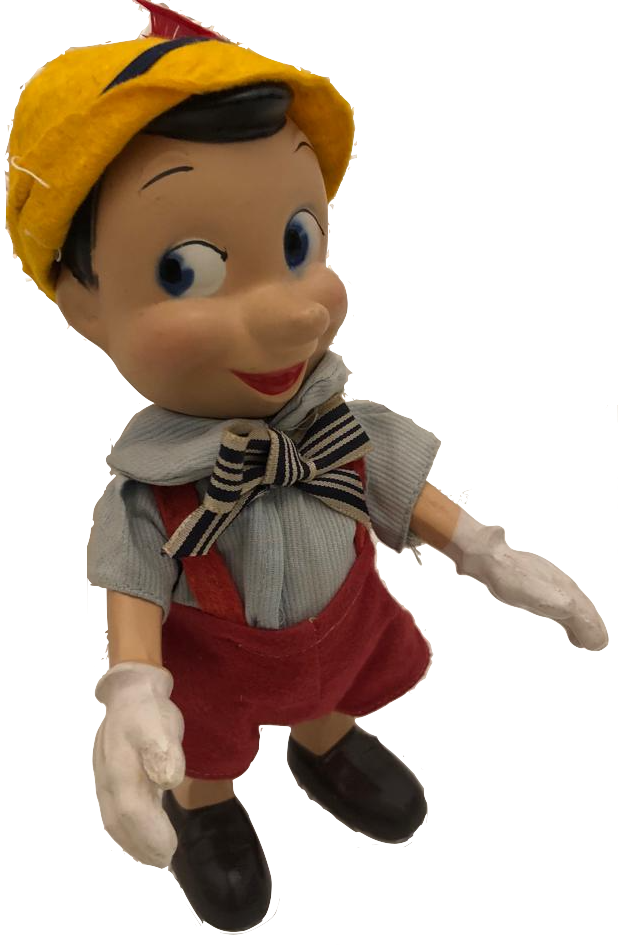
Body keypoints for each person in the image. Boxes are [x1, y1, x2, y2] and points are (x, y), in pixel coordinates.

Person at [6, 2, 608, 933]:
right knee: (202, 740)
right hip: (218, 663)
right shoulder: (151, 493)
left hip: (340, 618)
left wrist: (487, 553)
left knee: (336, 684)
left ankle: (323, 742)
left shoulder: (338, 424)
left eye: (298, 244)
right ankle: (206, 804)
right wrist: (133, 695)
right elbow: (133, 599)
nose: (296, 312)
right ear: (82, 301)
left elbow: (399, 489)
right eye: (188, 269)